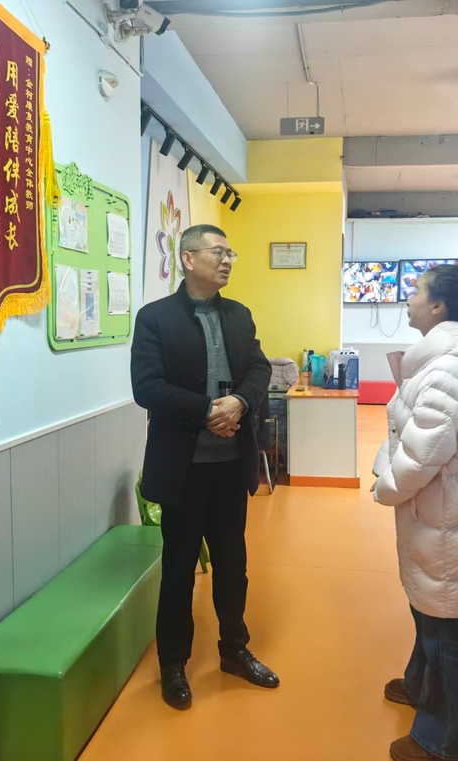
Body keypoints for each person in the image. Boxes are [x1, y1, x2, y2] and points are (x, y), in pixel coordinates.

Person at [131, 223, 277, 710]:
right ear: (188, 259)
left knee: (233, 565)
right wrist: (206, 410)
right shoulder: (155, 318)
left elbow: (259, 368)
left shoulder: (238, 315)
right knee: (178, 569)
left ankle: (234, 650)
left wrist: (239, 402)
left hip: (231, 465)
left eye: (231, 253)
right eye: (218, 252)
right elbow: (146, 387)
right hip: (183, 468)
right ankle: (173, 663)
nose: (228, 260)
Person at [372, 264, 458, 761]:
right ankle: (418, 685)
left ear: (438, 307)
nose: (408, 299)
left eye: (416, 291)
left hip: (448, 521)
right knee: (428, 613)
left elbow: (423, 455)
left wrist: (385, 486)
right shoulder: (441, 361)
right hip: (443, 516)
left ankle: (452, 741)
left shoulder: (445, 372)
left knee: (445, 632)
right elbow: (411, 434)